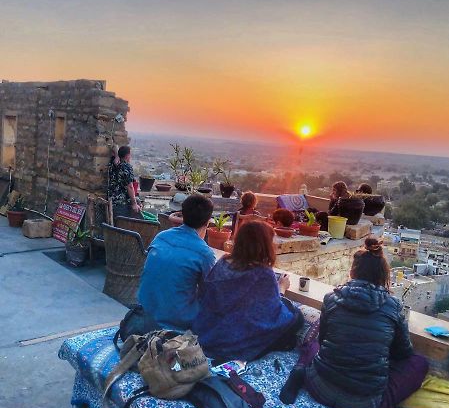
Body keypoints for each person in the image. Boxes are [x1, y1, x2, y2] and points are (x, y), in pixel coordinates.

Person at [280, 237, 428, 408]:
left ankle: (300, 369)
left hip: (319, 387)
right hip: (365, 407)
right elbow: (404, 352)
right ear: (383, 275)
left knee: (315, 343)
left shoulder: (331, 298)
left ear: (352, 271)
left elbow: (323, 338)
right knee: (419, 363)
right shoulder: (393, 306)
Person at [193, 221, 304, 362]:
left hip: (208, 331)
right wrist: (281, 288)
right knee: (296, 318)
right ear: (264, 245)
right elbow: (272, 311)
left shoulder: (223, 262)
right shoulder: (262, 273)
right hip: (232, 341)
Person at [138, 195, 216, 331]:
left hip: (144, 314)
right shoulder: (204, 253)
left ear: (182, 215)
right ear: (208, 222)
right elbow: (210, 293)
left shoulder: (161, 236)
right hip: (177, 322)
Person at [108, 145, 142, 219]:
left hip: (111, 201)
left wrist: (117, 155)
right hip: (121, 204)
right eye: (130, 154)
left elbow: (115, 147)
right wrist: (134, 204)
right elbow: (130, 186)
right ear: (127, 156)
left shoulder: (112, 164)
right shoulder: (126, 167)